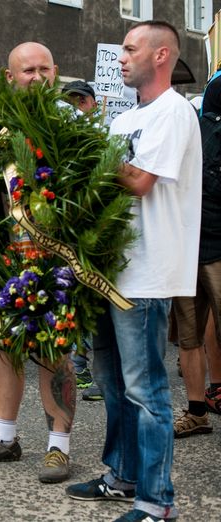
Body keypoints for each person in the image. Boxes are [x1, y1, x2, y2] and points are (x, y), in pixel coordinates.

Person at [66, 22, 202, 522]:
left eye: (130, 48)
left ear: (161, 55)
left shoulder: (174, 112)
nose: (120, 57)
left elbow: (140, 181)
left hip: (147, 271)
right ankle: (122, 477)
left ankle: (156, 499)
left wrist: (81, 143)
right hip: (110, 269)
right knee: (112, 381)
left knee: (146, 391)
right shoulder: (124, 118)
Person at [0, 42, 76, 485]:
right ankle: (3, 436)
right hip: (3, 256)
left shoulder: (70, 125)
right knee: (2, 346)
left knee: (53, 348)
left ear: (56, 71)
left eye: (45, 68)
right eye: (28, 70)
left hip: (55, 257)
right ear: (10, 77)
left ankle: (58, 448)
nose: (38, 76)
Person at [171, 73, 221, 438]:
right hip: (188, 247)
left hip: (217, 248)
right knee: (189, 337)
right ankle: (196, 411)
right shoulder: (191, 125)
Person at [61, 81, 103, 402]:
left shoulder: (103, 137)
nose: (74, 108)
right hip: (65, 234)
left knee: (93, 305)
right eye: (69, 102)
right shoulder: (61, 140)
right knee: (74, 302)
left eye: (79, 101)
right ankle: (79, 365)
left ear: (91, 103)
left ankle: (93, 368)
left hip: (94, 234)